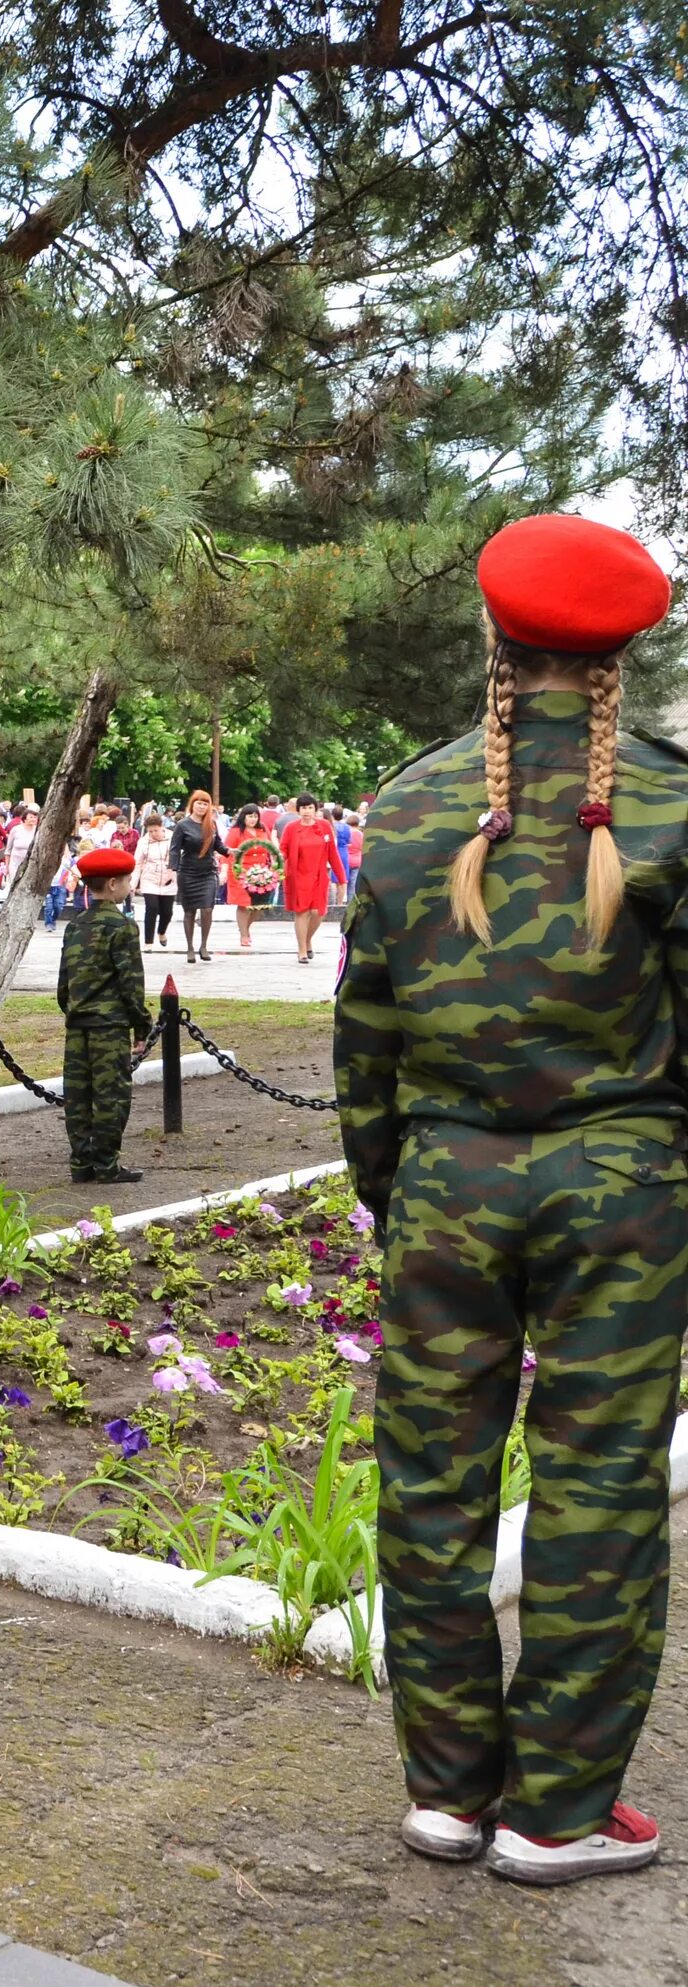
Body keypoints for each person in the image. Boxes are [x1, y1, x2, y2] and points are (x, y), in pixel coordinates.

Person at [337, 512, 683, 1886]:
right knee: (601, 1487)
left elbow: (366, 1033)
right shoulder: (669, 802)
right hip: (627, 1197)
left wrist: (400, 1186)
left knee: (431, 1482)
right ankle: (560, 1812)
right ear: (619, 659)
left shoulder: (410, 803)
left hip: (446, 1186)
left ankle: (447, 1792)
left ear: (496, 638)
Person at [55, 846, 152, 1184]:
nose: (129, 885)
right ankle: (107, 1165)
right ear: (112, 884)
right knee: (111, 1096)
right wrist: (142, 1025)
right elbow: (131, 982)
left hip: (77, 1024)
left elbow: (63, 985)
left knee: (78, 1097)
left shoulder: (74, 925)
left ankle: (81, 1164)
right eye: (126, 881)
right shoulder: (121, 927)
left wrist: (75, 1010)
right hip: (109, 1026)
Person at [280, 791, 346, 964]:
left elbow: (333, 853)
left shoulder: (324, 826)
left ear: (316, 809)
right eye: (303, 808)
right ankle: (301, 949)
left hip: (319, 875)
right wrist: (275, 865)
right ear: (298, 810)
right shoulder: (291, 828)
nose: (307, 811)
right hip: (298, 875)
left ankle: (308, 939)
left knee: (318, 912)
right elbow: (283, 851)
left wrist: (342, 878)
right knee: (302, 912)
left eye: (310, 807)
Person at [171, 790, 224, 962]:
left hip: (208, 872)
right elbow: (174, 849)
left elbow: (218, 845)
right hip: (188, 872)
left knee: (207, 909)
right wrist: (173, 870)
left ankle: (204, 945)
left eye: (205, 803)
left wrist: (231, 852)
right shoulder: (182, 825)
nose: (202, 806)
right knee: (189, 911)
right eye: (198, 803)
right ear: (192, 804)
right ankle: (190, 948)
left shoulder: (212, 824)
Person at [226, 804, 281, 948]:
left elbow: (270, 848)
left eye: (255, 816)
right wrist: (224, 868)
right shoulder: (236, 831)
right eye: (250, 816)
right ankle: (244, 935)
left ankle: (245, 928)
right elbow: (226, 851)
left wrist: (274, 865)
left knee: (259, 906)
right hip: (241, 872)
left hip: (261, 872)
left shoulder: (262, 829)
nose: (253, 819)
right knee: (244, 904)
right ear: (243, 817)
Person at [135, 804, 176, 950]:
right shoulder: (143, 841)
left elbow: (178, 856)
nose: (153, 833)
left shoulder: (172, 837)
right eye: (150, 831)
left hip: (168, 878)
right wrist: (133, 884)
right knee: (151, 907)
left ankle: (162, 931)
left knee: (167, 912)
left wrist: (175, 873)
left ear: (162, 826)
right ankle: (148, 942)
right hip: (150, 877)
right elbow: (137, 863)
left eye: (156, 830)